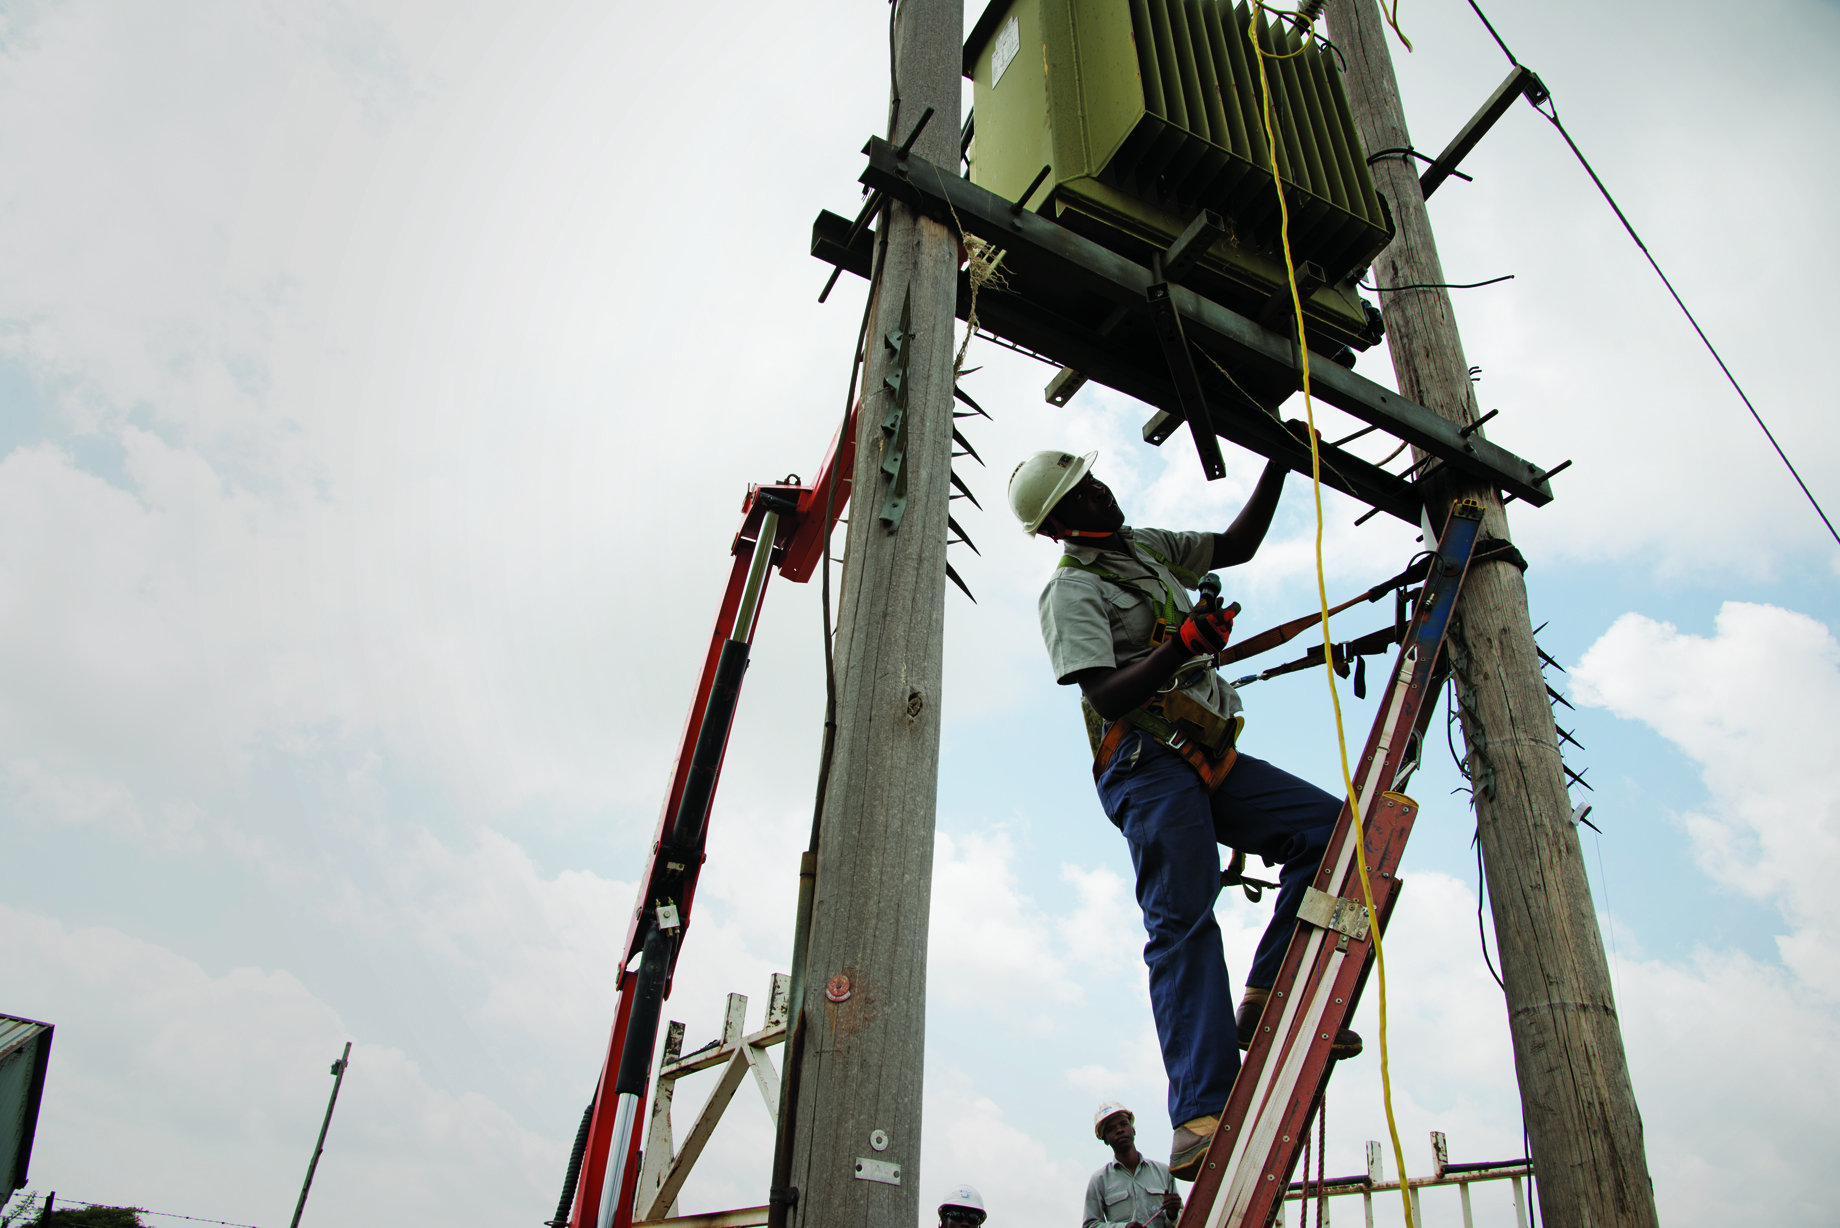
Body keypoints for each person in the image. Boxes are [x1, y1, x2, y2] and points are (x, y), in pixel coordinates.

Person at [1008, 449, 1360, 1181]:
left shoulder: (1147, 545)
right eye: (1084, 492)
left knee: (1331, 831)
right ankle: (1200, 1114)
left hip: (1202, 752)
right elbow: (1104, 694)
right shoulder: (1069, 592)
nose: (1103, 493)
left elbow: (1236, 545)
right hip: (1144, 764)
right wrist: (1183, 645)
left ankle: (1268, 992)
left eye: (1095, 481)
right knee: (1183, 919)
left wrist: (1282, 466)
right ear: (1059, 525)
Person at [1085, 1102, 1182, 1228]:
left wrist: (1173, 1215)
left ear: (1133, 1130)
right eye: (1111, 1129)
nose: (1119, 1130)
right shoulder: (1099, 1180)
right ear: (1105, 1140)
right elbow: (1090, 1225)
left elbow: (1187, 1221)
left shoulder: (1164, 1172)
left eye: (1124, 1124)